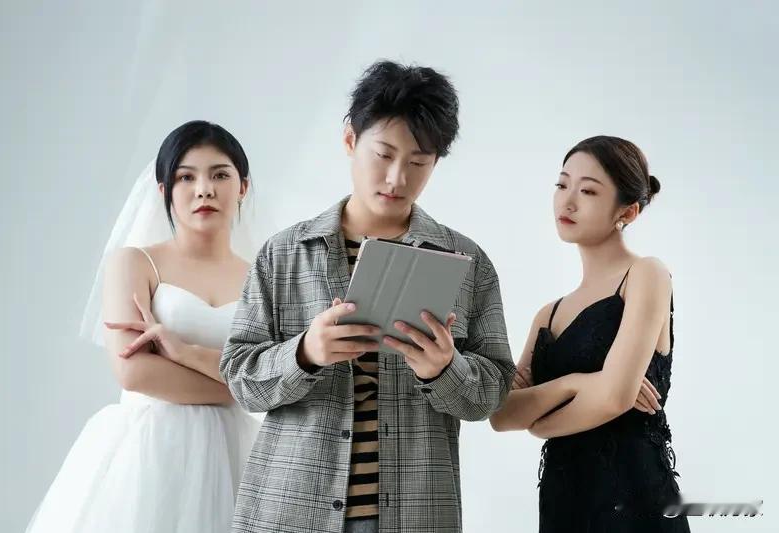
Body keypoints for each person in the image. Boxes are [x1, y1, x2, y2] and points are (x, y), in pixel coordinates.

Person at [220, 60, 515, 533]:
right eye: (383, 154)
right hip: (292, 513)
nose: (397, 178)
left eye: (418, 163)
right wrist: (305, 353)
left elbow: (493, 391)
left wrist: (445, 369)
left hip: (415, 515)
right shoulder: (284, 253)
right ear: (350, 141)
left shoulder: (466, 262)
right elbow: (239, 377)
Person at [26, 120, 262, 533]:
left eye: (219, 175)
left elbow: (275, 372)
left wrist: (187, 357)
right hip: (151, 450)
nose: (203, 189)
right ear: (164, 190)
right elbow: (134, 372)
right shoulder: (134, 263)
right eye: (185, 177)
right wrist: (245, 390)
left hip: (237, 452)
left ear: (242, 186)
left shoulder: (263, 278)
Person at [490, 135, 690, 532]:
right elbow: (501, 414)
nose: (567, 202)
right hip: (564, 502)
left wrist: (540, 423)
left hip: (634, 502)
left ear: (628, 211)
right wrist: (577, 384)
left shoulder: (646, 274)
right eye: (562, 185)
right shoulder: (548, 315)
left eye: (588, 191)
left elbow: (614, 398)